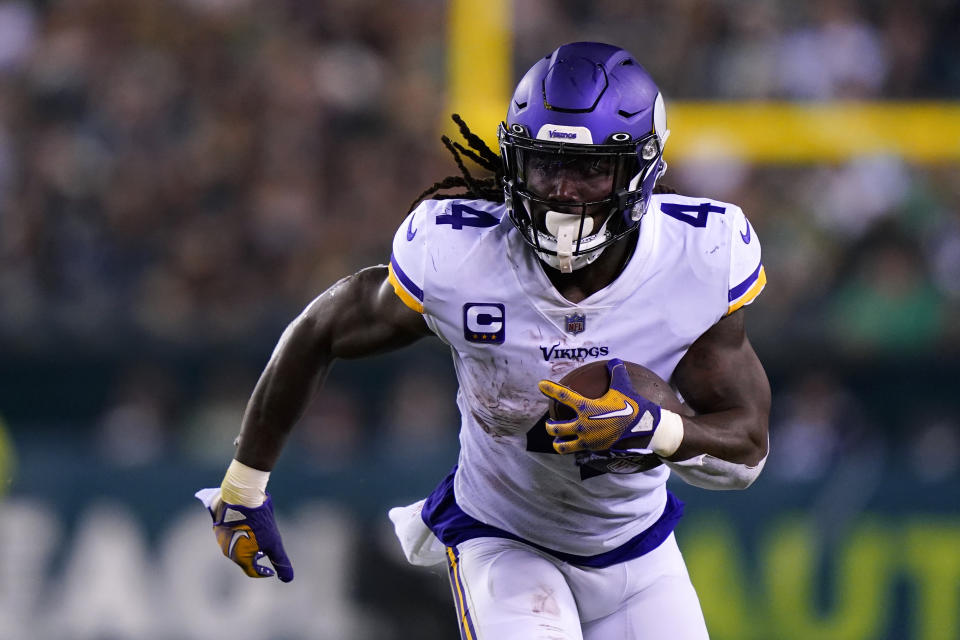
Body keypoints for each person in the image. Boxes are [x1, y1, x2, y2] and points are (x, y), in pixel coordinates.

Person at [196, 41, 770, 640]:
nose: (563, 193)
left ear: (641, 170)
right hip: (504, 539)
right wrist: (243, 484)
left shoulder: (697, 258)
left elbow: (746, 448)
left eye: (591, 168)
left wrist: (654, 429)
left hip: (637, 552)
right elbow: (320, 329)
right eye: (546, 164)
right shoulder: (461, 256)